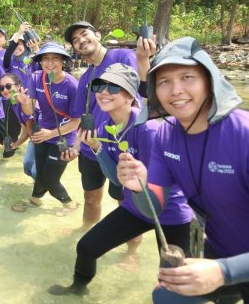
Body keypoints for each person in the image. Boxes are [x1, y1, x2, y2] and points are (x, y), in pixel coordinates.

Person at [117, 37, 249, 303]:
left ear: (210, 82)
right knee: (166, 295)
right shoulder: (165, 135)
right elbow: (153, 207)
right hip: (217, 249)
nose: (175, 90)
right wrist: (138, 186)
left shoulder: (244, 135)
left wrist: (225, 271)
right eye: (164, 81)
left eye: (187, 76)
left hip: (235, 263)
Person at [49, 63, 192, 296]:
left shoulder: (147, 128)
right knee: (86, 247)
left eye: (114, 87)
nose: (104, 92)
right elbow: (115, 180)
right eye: (99, 86)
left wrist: (139, 175)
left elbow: (158, 181)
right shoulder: (106, 128)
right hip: (135, 207)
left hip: (169, 213)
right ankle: (78, 288)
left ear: (130, 95)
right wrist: (96, 148)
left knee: (174, 279)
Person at [63, 21, 138, 231]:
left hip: (119, 145)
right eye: (75, 40)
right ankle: (87, 232)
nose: (80, 41)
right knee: (90, 199)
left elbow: (138, 95)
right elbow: (83, 117)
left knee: (126, 204)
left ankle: (131, 251)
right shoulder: (86, 77)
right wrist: (77, 146)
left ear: (98, 34)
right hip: (90, 149)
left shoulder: (123, 56)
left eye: (84, 34)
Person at [17, 42, 80, 212]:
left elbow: (77, 121)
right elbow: (30, 110)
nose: (50, 63)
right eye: (46, 59)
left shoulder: (72, 85)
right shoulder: (36, 77)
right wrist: (23, 104)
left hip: (62, 138)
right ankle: (35, 201)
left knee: (51, 180)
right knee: (40, 175)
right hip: (41, 134)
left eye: (55, 59)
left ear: (63, 62)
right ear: (40, 61)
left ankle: (70, 204)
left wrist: (51, 133)